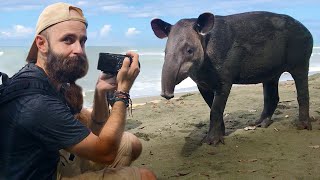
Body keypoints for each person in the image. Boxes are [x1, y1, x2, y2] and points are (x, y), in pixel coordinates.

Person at [0, 2, 156, 180]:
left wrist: (100, 92)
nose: (79, 50)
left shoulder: (52, 80)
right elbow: (105, 153)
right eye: (68, 40)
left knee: (131, 143)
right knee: (146, 177)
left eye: (82, 41)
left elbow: (96, 133)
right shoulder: (36, 103)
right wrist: (122, 93)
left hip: (54, 161)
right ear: (41, 44)